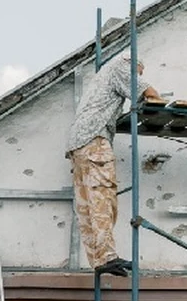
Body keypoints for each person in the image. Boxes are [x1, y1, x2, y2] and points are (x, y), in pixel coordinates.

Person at [65, 53, 162, 276]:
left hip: (78, 143)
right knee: (103, 198)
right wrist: (159, 101)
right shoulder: (121, 67)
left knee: (88, 203)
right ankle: (107, 256)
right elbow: (148, 93)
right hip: (95, 139)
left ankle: (99, 259)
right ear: (134, 64)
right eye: (139, 71)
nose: (137, 75)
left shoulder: (103, 77)